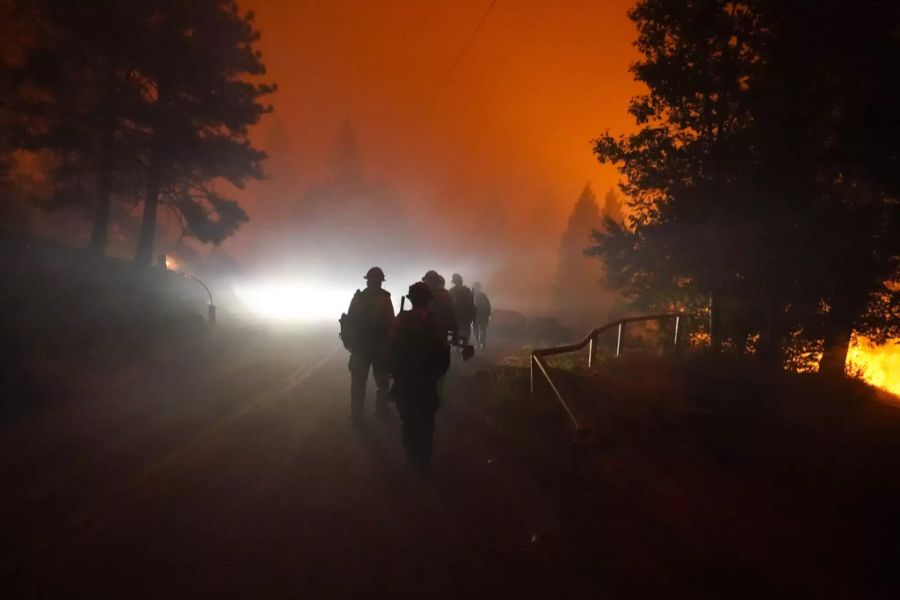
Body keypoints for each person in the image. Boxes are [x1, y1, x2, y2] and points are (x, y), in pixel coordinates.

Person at [389, 282, 450, 473]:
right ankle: (423, 460)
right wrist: (436, 376)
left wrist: (396, 373)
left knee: (407, 421)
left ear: (411, 300)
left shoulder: (400, 320)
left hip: (404, 380)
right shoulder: (433, 322)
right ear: (427, 301)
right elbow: (443, 355)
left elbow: (391, 350)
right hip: (427, 381)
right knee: (426, 422)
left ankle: (411, 458)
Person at [342, 266, 395, 428]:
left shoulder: (357, 298)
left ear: (368, 280)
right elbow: (391, 324)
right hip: (379, 347)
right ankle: (380, 409)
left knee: (358, 383)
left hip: (360, 347)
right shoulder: (385, 299)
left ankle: (356, 415)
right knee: (382, 382)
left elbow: (349, 320)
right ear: (380, 281)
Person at [422, 270, 457, 342]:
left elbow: (450, 313)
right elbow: (451, 314)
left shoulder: (422, 294)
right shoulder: (445, 294)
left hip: (435, 331)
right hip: (434, 331)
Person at [449, 273, 477, 344]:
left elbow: (449, 305)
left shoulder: (452, 291)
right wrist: (473, 316)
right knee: (465, 333)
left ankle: (459, 348)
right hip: (465, 316)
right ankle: (464, 347)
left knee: (457, 332)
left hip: (456, 316)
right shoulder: (466, 290)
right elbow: (472, 304)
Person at [472, 281, 492, 349]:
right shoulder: (482, 295)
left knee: (477, 329)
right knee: (482, 329)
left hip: (478, 314)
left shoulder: (473, 295)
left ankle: (479, 343)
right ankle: (481, 344)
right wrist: (489, 314)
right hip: (482, 314)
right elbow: (488, 305)